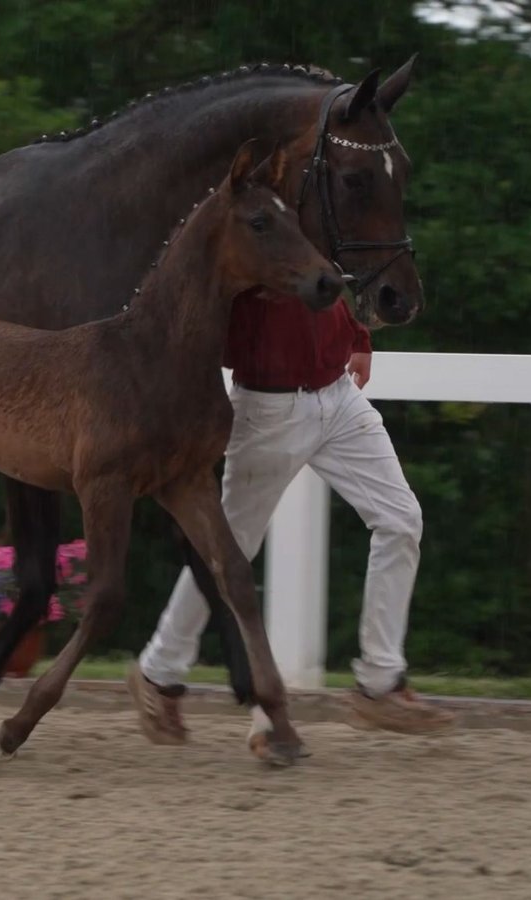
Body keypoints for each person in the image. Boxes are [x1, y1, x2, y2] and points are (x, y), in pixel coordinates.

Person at [127, 285, 455, 758]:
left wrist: (358, 335)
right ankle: (159, 672)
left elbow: (330, 272)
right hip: (269, 409)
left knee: (400, 519)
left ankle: (380, 683)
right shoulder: (245, 240)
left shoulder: (310, 236)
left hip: (339, 397)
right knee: (228, 548)